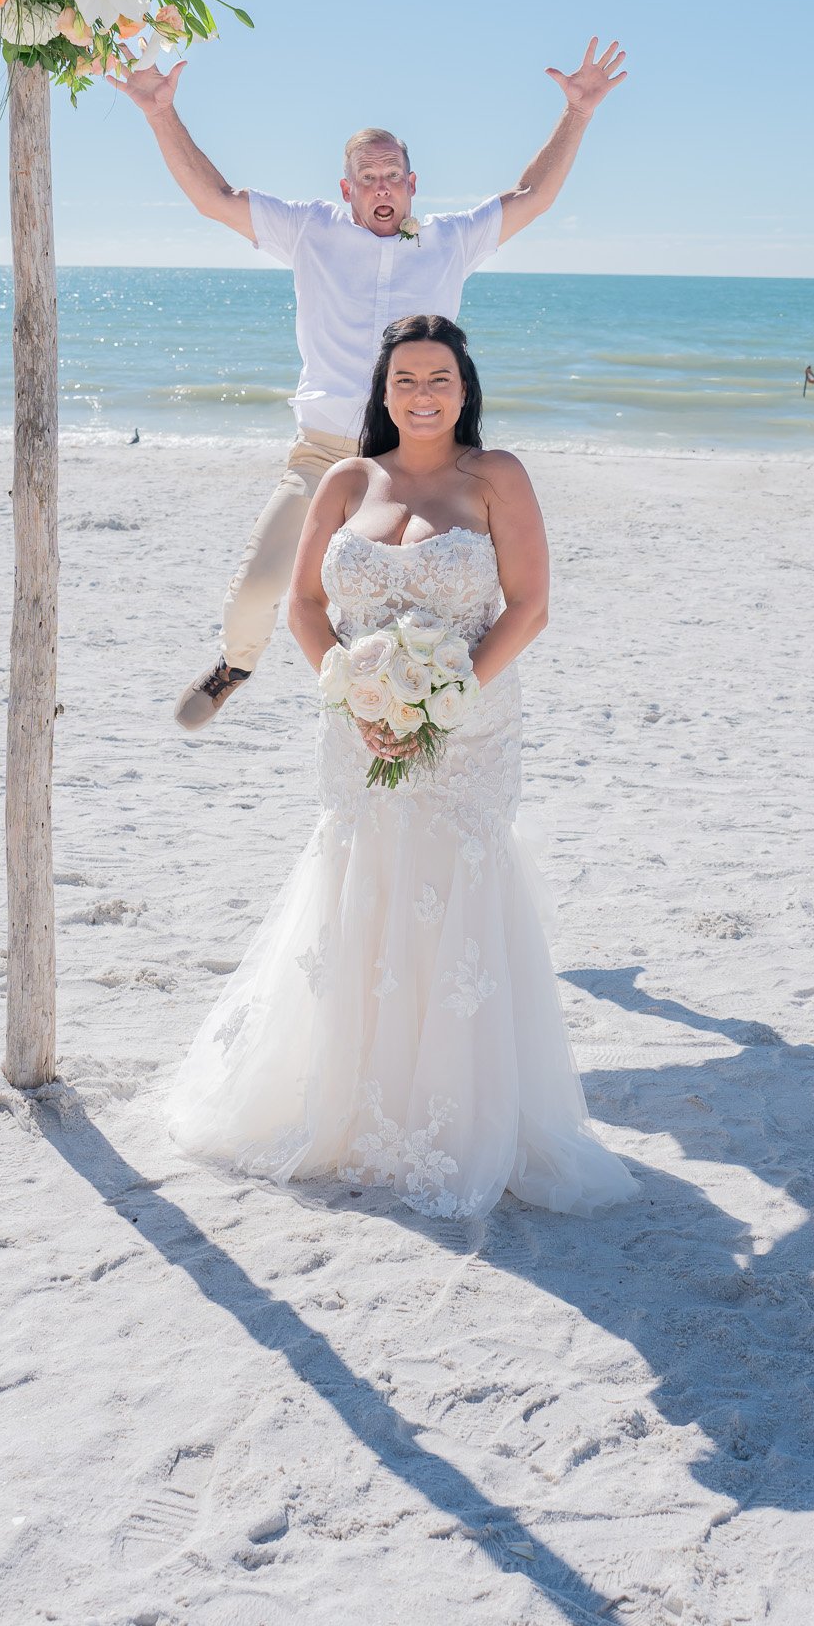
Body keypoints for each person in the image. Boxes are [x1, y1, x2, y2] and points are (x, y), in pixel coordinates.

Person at [166, 314, 639, 1222]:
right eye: (406, 379)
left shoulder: (496, 476)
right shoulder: (347, 479)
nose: (422, 394)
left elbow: (530, 606)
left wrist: (443, 699)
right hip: (356, 726)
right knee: (361, 876)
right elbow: (306, 605)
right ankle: (343, 1100)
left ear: (465, 390)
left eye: (440, 379)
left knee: (454, 885)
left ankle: (451, 1114)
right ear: (382, 393)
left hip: (471, 724)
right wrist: (356, 698)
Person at [111, 40, 627, 729]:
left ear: (413, 184)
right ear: (346, 188)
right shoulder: (308, 231)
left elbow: (530, 197)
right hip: (326, 455)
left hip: (426, 460)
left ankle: (432, 697)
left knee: (454, 594)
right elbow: (215, 198)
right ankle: (238, 663)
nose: (382, 187)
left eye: (393, 175)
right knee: (256, 590)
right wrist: (159, 113)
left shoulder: (450, 240)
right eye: (368, 177)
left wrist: (577, 113)